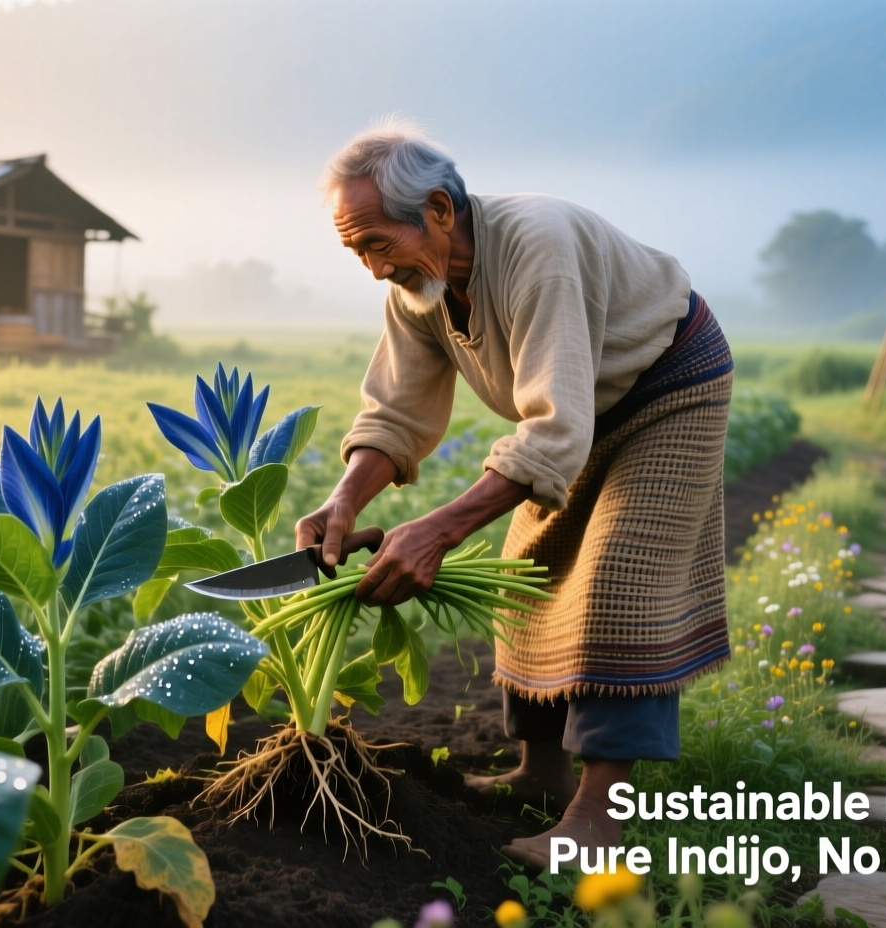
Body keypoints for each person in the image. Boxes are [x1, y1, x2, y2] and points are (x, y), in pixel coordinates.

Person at [295, 119, 734, 867]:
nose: (371, 269)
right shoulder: (419, 284)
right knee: (526, 575)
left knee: (616, 585)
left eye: (376, 245)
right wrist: (345, 499)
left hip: (666, 391)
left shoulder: (536, 246)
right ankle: (540, 771)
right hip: (574, 412)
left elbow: (555, 430)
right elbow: (397, 412)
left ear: (438, 210)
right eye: (355, 250)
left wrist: (438, 529)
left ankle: (598, 820)